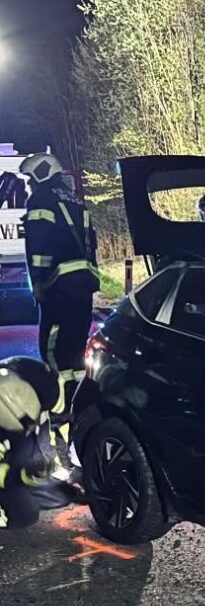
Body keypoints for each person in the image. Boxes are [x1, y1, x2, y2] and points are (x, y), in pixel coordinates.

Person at [19, 153, 100, 446]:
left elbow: (38, 246)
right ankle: (81, 410)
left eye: (29, 179)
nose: (28, 185)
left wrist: (40, 281)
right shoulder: (76, 200)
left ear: (40, 174)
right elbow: (92, 241)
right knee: (77, 352)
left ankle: (59, 417)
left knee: (52, 352)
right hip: (84, 286)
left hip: (58, 288)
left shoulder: (40, 200)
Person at [0, 358, 75, 529]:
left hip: (39, 406)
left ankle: (33, 477)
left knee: (62, 494)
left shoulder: (44, 385)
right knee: (24, 515)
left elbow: (60, 420)